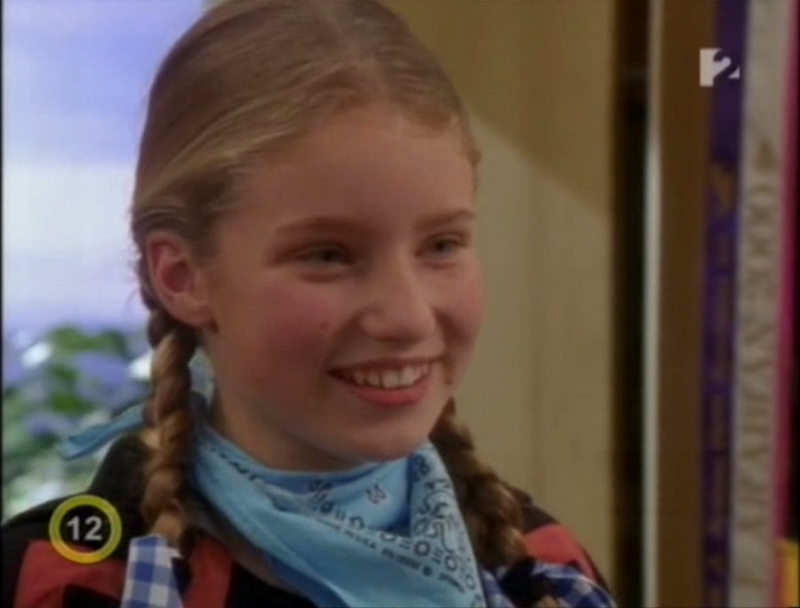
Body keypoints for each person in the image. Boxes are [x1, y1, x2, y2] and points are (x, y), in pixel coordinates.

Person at [2, 1, 617, 607]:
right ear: (183, 276)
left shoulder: (547, 569)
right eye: (328, 255)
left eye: (442, 245)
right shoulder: (59, 584)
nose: (407, 317)